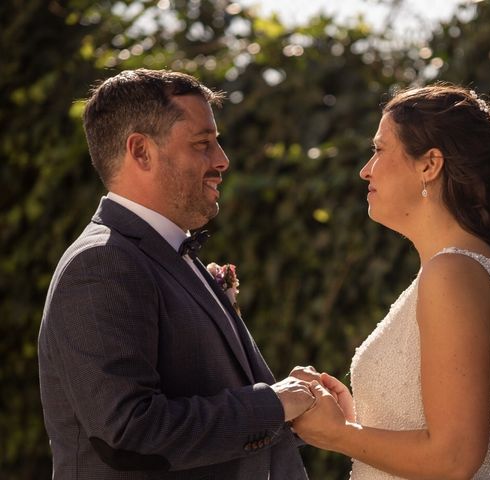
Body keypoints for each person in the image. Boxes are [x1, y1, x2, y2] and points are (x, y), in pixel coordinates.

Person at [38, 68, 318, 479]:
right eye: (203, 144)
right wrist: (272, 404)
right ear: (141, 152)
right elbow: (130, 433)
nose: (222, 160)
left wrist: (295, 412)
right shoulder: (102, 264)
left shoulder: (169, 254)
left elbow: (212, 410)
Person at [293, 83, 490, 479]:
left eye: (379, 149)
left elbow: (454, 458)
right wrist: (351, 419)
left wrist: (336, 435)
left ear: (429, 164)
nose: (365, 170)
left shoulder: (453, 274)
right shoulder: (454, 270)